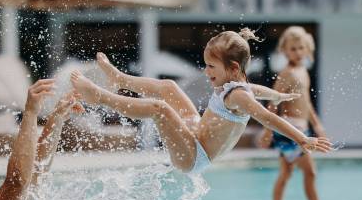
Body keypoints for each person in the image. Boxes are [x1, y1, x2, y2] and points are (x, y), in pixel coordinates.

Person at [70, 28, 332, 176]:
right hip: (195, 135)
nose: (206, 72)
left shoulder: (238, 96)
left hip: (194, 156)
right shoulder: (237, 86)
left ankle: (100, 96)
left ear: (231, 67)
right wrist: (277, 95)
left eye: (210, 67)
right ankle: (119, 78)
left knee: (159, 108)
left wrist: (302, 138)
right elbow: (256, 89)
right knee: (169, 87)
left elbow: (268, 118)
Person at [259, 26, 343, 200]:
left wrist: (317, 125)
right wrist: (268, 131)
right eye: (293, 49)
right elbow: (272, 103)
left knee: (285, 174)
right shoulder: (286, 74)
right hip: (290, 131)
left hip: (300, 130)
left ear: (307, 49)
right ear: (284, 51)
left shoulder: (302, 71)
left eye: (300, 48)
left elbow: (306, 103)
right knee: (311, 172)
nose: (297, 52)